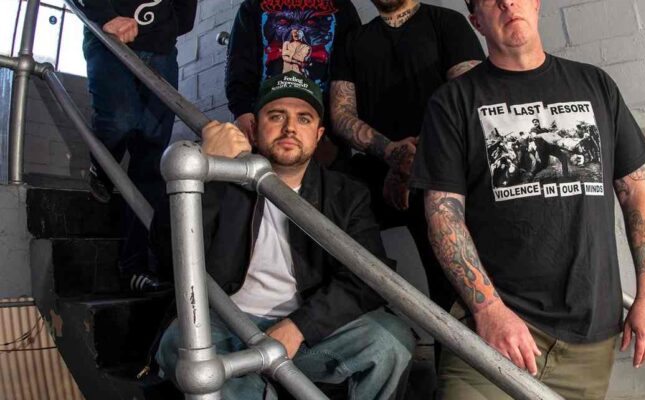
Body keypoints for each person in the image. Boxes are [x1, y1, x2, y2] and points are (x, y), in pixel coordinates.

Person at [411, 0, 645, 398]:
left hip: (587, 340)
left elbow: (637, 193)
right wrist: (489, 310)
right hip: (491, 334)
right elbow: (443, 216)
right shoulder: (453, 102)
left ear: (536, 4)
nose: (507, 3)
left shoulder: (595, 85)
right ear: (477, 21)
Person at [153, 72, 415, 400]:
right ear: (253, 128)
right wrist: (207, 171)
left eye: (303, 119)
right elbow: (166, 256)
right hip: (226, 327)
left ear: (318, 135)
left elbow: (370, 279)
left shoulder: (346, 195)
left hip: (306, 332)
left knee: (391, 341)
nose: (290, 128)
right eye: (276, 116)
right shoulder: (221, 180)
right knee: (178, 343)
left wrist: (300, 326)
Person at [330, 0, 485, 313]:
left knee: (452, 281)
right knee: (328, 218)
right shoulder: (353, 41)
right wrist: (391, 153)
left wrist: (413, 162)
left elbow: (470, 98)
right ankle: (367, 328)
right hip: (379, 168)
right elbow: (341, 114)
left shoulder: (446, 22)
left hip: (442, 168)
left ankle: (457, 335)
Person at [74, 0, 196, 292]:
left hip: (161, 52)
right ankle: (102, 169)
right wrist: (106, 16)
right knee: (120, 120)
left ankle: (136, 265)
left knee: (153, 158)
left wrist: (162, 31)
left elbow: (186, 17)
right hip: (107, 36)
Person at [226, 0, 360, 168]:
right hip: (266, 129)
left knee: (328, 183)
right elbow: (238, 63)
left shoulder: (341, 5)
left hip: (326, 136)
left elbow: (354, 69)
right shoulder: (253, 5)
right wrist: (242, 111)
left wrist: (337, 134)